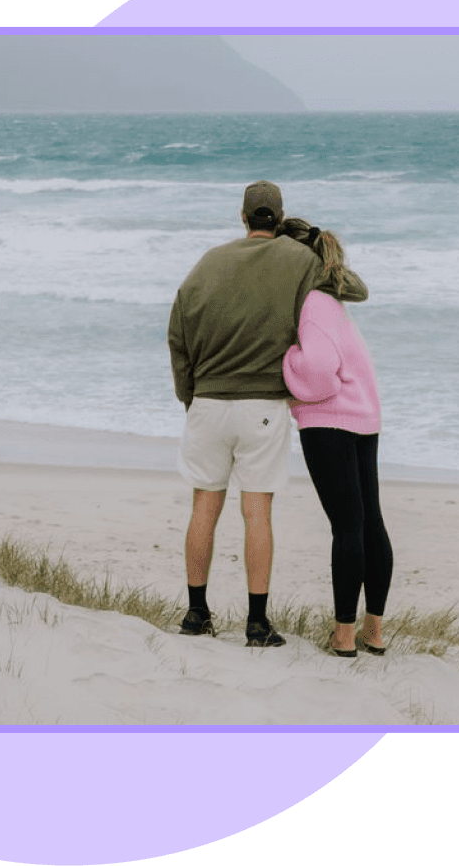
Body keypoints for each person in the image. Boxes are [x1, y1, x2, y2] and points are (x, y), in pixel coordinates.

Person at [167, 181, 367, 647]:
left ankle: (197, 614)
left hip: (208, 404)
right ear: (277, 219)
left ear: (241, 217)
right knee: (257, 512)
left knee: (204, 508)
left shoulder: (208, 262)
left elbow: (177, 335)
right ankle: (257, 624)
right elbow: (355, 289)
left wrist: (190, 396)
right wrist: (306, 239)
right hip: (262, 408)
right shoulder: (300, 262)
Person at [281, 222, 394, 658]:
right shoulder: (331, 301)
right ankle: (374, 631)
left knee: (346, 526)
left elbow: (319, 370)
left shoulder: (309, 303)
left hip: (329, 419)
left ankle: (343, 636)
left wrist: (288, 360)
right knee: (371, 523)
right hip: (365, 416)